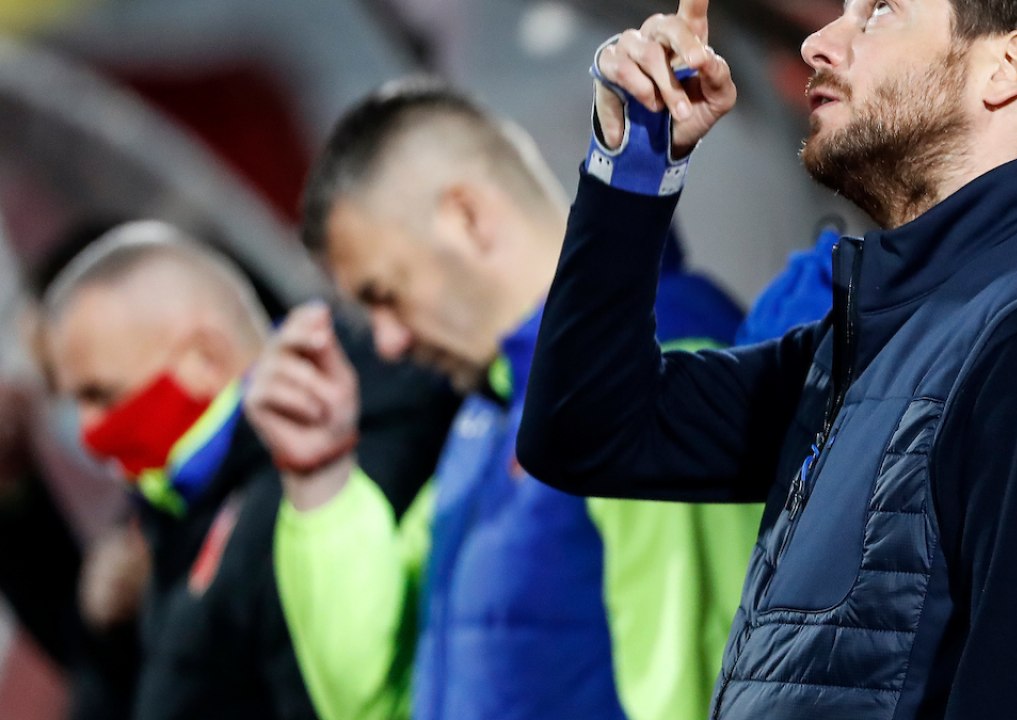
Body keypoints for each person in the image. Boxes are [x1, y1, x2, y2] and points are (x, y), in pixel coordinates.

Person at [515, 0, 1017, 718]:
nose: (817, 43)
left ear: (1006, 68)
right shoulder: (888, 334)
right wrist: (638, 155)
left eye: (878, 12)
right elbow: (583, 431)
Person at [243, 78, 758, 720]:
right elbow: (378, 699)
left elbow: (705, 692)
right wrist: (320, 476)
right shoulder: (486, 420)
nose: (388, 343)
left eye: (384, 295)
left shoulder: (648, 367)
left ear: (468, 218)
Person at [41, 221, 458, 720]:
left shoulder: (345, 450)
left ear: (206, 357)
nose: (88, 430)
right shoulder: (171, 518)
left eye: (100, 395)